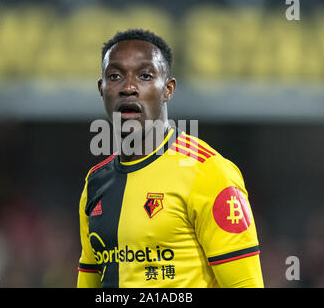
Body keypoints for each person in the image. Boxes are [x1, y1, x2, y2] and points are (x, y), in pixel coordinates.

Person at [77, 29, 263, 288]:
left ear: (168, 89)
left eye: (144, 76)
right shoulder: (95, 183)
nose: (128, 88)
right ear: (102, 89)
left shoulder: (208, 172)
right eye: (115, 76)